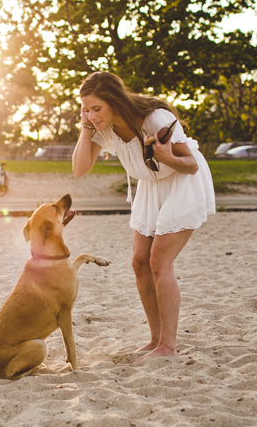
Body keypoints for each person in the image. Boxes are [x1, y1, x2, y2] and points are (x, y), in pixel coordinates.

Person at [72, 72, 215, 361]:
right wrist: (86, 128)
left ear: (114, 101)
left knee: (159, 262)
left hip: (181, 181)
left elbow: (190, 164)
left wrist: (166, 157)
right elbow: (80, 168)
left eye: (96, 108)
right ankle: (155, 339)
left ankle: (168, 347)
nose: (92, 114)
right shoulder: (104, 128)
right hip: (151, 187)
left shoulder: (154, 119)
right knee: (139, 262)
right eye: (86, 109)